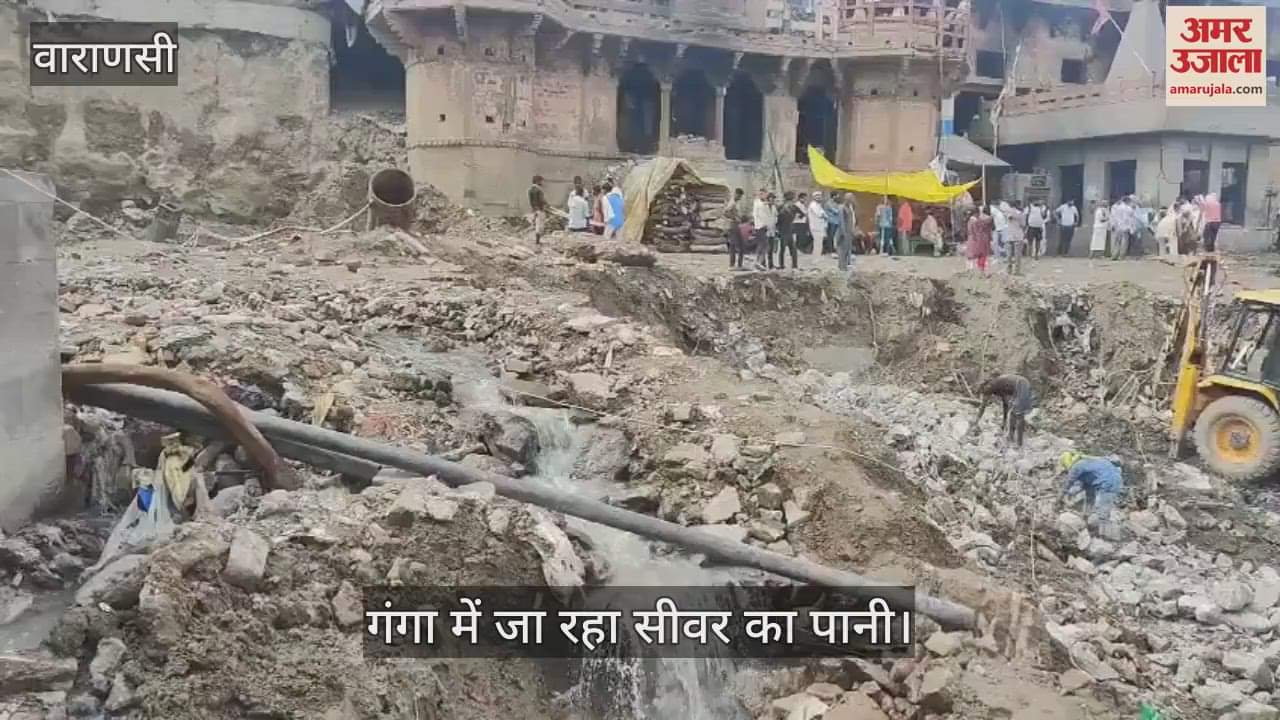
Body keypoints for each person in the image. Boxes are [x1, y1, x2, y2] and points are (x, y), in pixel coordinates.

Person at [1057, 451, 1124, 533]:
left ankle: (1103, 537)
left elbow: (1067, 484)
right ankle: (1087, 519)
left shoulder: (1077, 466)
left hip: (1110, 482)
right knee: (1090, 498)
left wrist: (1059, 499)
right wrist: (1071, 494)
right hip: (1110, 480)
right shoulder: (1089, 463)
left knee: (1102, 512)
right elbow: (1082, 486)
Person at [972, 373, 1034, 447]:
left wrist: (977, 420)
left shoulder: (992, 386)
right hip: (1023, 383)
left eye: (984, 393)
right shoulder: (997, 384)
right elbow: (1005, 404)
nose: (985, 396)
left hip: (1020, 384)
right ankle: (1018, 436)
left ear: (986, 387)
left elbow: (984, 406)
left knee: (1014, 412)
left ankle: (1015, 441)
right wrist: (1004, 423)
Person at [722, 188, 745, 269]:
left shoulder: (736, 202)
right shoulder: (732, 203)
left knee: (738, 245)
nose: (740, 197)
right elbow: (725, 212)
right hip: (733, 225)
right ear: (736, 194)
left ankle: (739, 265)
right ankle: (733, 265)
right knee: (734, 245)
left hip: (736, 225)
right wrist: (734, 218)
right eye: (739, 196)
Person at [965, 206, 993, 273]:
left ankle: (969, 269)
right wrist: (990, 218)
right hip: (979, 239)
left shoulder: (970, 220)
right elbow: (984, 224)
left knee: (970, 255)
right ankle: (980, 270)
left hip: (972, 239)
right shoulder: (977, 221)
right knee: (982, 254)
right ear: (977, 213)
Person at [776, 191, 799, 269]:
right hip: (788, 229)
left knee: (784, 249)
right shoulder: (792, 206)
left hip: (784, 229)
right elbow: (802, 215)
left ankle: (783, 265)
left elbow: (777, 219)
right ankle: (793, 265)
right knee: (791, 249)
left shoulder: (781, 207)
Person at [752, 189, 775, 270]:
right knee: (762, 245)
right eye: (763, 194)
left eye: (765, 194)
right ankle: (757, 262)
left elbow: (768, 216)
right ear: (760, 194)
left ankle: (759, 262)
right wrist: (761, 225)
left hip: (766, 227)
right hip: (760, 226)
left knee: (765, 245)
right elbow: (756, 215)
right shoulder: (757, 203)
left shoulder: (764, 204)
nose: (765, 196)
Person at [1003, 200, 1026, 275]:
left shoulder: (1007, 212)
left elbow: (1008, 217)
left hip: (1008, 236)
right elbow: (1023, 225)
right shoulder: (1021, 214)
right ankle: (1017, 271)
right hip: (1018, 236)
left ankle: (1008, 270)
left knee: (1009, 255)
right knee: (1017, 256)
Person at [837, 192, 857, 271]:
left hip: (849, 231)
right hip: (843, 232)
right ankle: (842, 267)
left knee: (848, 249)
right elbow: (841, 221)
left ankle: (845, 266)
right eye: (851, 198)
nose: (853, 200)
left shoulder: (850, 208)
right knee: (842, 250)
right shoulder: (842, 208)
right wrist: (843, 233)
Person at [528, 175, 548, 245]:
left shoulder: (530, 189)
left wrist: (534, 208)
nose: (542, 182)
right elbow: (542, 200)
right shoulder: (539, 190)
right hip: (540, 209)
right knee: (540, 225)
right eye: (541, 181)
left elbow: (530, 201)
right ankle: (538, 241)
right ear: (537, 181)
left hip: (534, 209)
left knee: (537, 224)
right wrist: (547, 204)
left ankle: (537, 240)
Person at [808, 191, 828, 258]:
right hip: (815, 227)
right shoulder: (813, 205)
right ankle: (815, 259)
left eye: (820, 196)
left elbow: (825, 214)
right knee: (817, 244)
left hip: (820, 226)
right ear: (814, 197)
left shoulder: (819, 205)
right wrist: (824, 216)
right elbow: (820, 214)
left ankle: (817, 258)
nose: (819, 197)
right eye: (817, 196)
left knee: (819, 244)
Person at [793, 193, 813, 257]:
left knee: (803, 236)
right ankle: (799, 248)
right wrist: (803, 214)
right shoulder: (797, 205)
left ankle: (801, 248)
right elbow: (796, 214)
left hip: (803, 222)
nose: (805, 200)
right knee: (800, 236)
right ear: (800, 198)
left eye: (805, 198)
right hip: (798, 222)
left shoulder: (803, 205)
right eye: (804, 198)